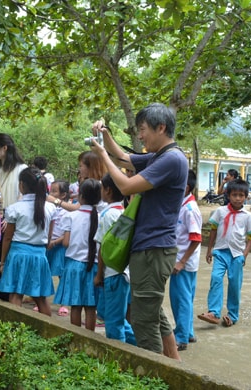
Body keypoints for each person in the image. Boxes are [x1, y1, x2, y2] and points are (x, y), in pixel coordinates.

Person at [91, 103, 187, 360]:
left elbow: (126, 186)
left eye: (143, 130)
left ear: (161, 128)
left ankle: (153, 377)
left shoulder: (172, 159)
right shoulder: (160, 156)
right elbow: (124, 158)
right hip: (150, 248)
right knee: (153, 313)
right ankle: (175, 366)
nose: (140, 136)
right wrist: (106, 136)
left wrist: (101, 155)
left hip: (153, 249)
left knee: (143, 323)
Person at [198, 178, 251, 328]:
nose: (238, 198)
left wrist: (245, 254)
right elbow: (213, 230)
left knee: (234, 285)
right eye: (234, 195)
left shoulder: (247, 216)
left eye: (241, 195)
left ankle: (232, 316)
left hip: (237, 255)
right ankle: (213, 312)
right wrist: (209, 249)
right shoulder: (220, 211)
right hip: (220, 252)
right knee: (216, 278)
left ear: (245, 196)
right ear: (228, 195)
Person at [0, 167, 56, 315]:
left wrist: (2, 261)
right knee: (40, 298)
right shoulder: (50, 208)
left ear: (22, 185)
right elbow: (49, 236)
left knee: (16, 294)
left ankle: (15, 332)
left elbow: (8, 238)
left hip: (18, 254)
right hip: (39, 255)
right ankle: (46, 331)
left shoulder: (14, 208)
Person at [94, 173, 136, 345]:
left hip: (112, 273)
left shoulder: (107, 215)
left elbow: (104, 248)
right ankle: (140, 346)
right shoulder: (124, 213)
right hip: (124, 272)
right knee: (120, 317)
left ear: (108, 190)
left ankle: (117, 357)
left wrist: (99, 274)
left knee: (113, 321)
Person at [53, 179, 100, 328]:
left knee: (76, 305)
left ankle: (75, 338)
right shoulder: (101, 217)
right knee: (91, 306)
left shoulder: (71, 216)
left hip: (74, 265)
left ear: (80, 196)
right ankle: (90, 338)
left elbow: (66, 243)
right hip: (94, 266)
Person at [0, 133, 28, 283]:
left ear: (5, 148)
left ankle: (5, 293)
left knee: (6, 252)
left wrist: (11, 218)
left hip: (11, 217)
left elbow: (22, 196)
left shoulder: (22, 168)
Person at [170, 169, 202, 351]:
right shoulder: (183, 205)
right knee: (185, 299)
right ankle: (187, 332)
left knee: (180, 300)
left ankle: (181, 337)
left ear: (185, 187)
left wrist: (181, 262)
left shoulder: (190, 210)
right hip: (184, 261)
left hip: (183, 263)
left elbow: (196, 238)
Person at [46, 179, 70, 316]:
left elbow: (68, 234)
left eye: (54, 191)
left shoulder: (68, 211)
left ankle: (64, 303)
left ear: (63, 195)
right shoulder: (48, 208)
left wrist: (55, 242)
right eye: (50, 190)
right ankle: (42, 300)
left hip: (59, 246)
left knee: (62, 274)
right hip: (48, 245)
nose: (51, 194)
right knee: (46, 273)